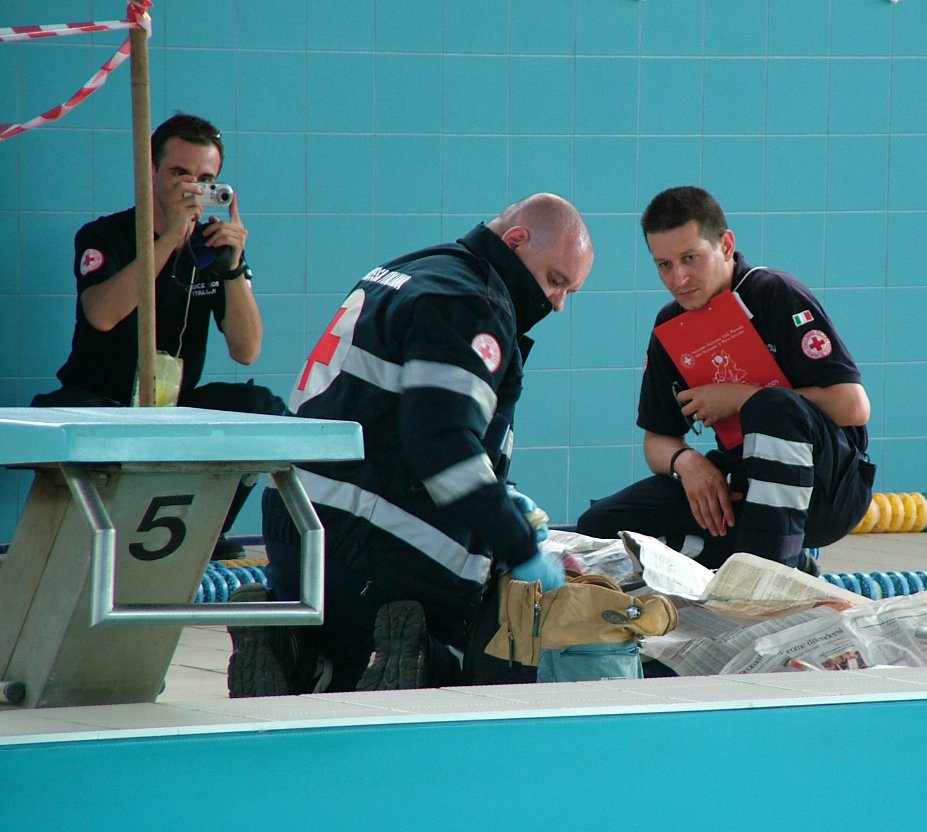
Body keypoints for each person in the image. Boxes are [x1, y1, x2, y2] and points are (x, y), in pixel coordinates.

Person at [229, 193, 594, 696]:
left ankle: (298, 652)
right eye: (555, 281)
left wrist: (500, 493)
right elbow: (441, 443)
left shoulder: (411, 268)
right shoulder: (472, 302)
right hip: (374, 556)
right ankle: (416, 664)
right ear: (515, 241)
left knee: (336, 661)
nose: (556, 303)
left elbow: (398, 416)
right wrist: (518, 545)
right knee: (491, 647)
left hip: (298, 534)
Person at [577, 186, 875, 571]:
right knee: (601, 526)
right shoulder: (671, 326)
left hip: (829, 489)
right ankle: (764, 557)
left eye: (690, 258)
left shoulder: (774, 294)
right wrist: (687, 463)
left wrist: (741, 398)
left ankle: (772, 571)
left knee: (773, 406)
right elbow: (657, 439)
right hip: (744, 488)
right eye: (664, 264)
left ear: (727, 245)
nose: (679, 277)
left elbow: (853, 405)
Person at [32, 112, 283, 561]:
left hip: (172, 406)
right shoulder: (104, 235)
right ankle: (96, 537)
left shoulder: (214, 248)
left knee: (259, 408)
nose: (190, 187)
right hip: (101, 402)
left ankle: (204, 531)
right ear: (150, 171)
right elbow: (102, 315)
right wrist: (167, 240)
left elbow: (247, 351)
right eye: (179, 173)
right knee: (73, 418)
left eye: (204, 178)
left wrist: (233, 267)